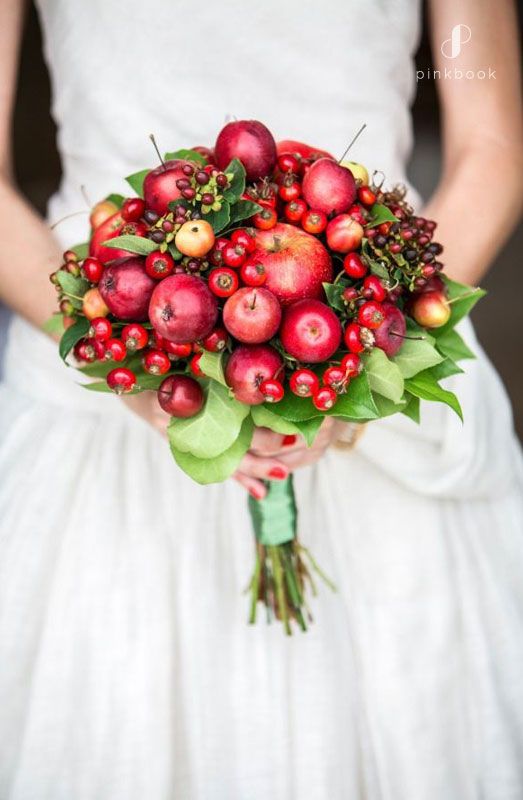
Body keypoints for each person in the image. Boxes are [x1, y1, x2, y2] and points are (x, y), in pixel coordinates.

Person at [1, 0, 522, 797]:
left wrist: (362, 370)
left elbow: (492, 147)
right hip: (114, 373)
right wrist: (140, 378)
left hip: (358, 349)